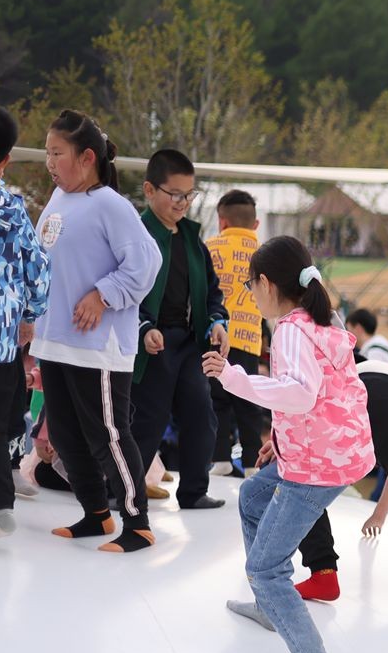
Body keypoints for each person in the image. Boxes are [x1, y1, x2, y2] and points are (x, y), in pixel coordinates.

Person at [210, 237, 374, 653]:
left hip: (316, 468)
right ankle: (270, 608)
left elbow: (300, 393)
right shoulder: (320, 321)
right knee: (252, 496)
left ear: (265, 283)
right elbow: (322, 400)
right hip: (329, 455)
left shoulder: (290, 331)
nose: (251, 292)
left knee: (265, 567)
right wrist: (279, 443)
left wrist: (232, 377)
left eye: (250, 285)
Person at [32, 110, 162, 552]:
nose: (49, 161)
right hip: (55, 340)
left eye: (56, 153)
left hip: (96, 347)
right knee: (67, 435)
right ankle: (96, 513)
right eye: (47, 152)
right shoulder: (57, 198)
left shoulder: (111, 204)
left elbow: (146, 263)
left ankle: (138, 523)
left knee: (108, 434)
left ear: (87, 157)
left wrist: (102, 295)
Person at [294, 355, 388, 616]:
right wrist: (379, 515)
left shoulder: (344, 373)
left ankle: (323, 573)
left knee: (310, 477)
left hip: (368, 388)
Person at [128, 148, 229, 513]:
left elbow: (213, 293)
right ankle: (127, 491)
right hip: (150, 345)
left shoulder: (191, 239)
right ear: (150, 190)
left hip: (189, 342)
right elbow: (122, 292)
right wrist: (143, 327)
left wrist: (217, 322)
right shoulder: (135, 235)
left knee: (201, 413)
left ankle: (194, 491)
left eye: (190, 194)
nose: (184, 202)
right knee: (147, 420)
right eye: (176, 194)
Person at [0, 104, 50, 540]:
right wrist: (29, 315)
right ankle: (1, 503)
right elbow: (38, 272)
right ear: (5, 160)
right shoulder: (13, 208)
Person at [204, 189, 267, 477]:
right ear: (255, 225)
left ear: (222, 222)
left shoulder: (208, 246)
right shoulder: (264, 252)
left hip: (215, 334)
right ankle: (254, 463)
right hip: (250, 338)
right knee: (248, 404)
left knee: (216, 401)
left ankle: (220, 459)